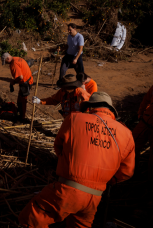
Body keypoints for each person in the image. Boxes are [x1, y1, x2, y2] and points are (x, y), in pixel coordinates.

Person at [19, 92, 135, 228]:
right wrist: (104, 181)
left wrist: (68, 165)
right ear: (111, 110)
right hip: (95, 196)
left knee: (31, 218)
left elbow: (58, 147)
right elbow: (127, 172)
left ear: (90, 107)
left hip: (68, 189)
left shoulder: (74, 119)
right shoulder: (126, 133)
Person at [1, 52, 34, 123]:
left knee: (22, 101)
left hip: (25, 83)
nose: (6, 64)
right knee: (20, 100)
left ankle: (22, 118)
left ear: (8, 58)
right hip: (28, 80)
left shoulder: (14, 64)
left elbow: (20, 77)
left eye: (6, 62)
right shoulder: (17, 58)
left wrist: (14, 82)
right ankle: (21, 114)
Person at [132, 85, 153, 167]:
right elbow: (146, 99)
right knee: (132, 145)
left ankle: (150, 178)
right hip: (145, 121)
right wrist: (141, 112)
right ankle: (132, 171)